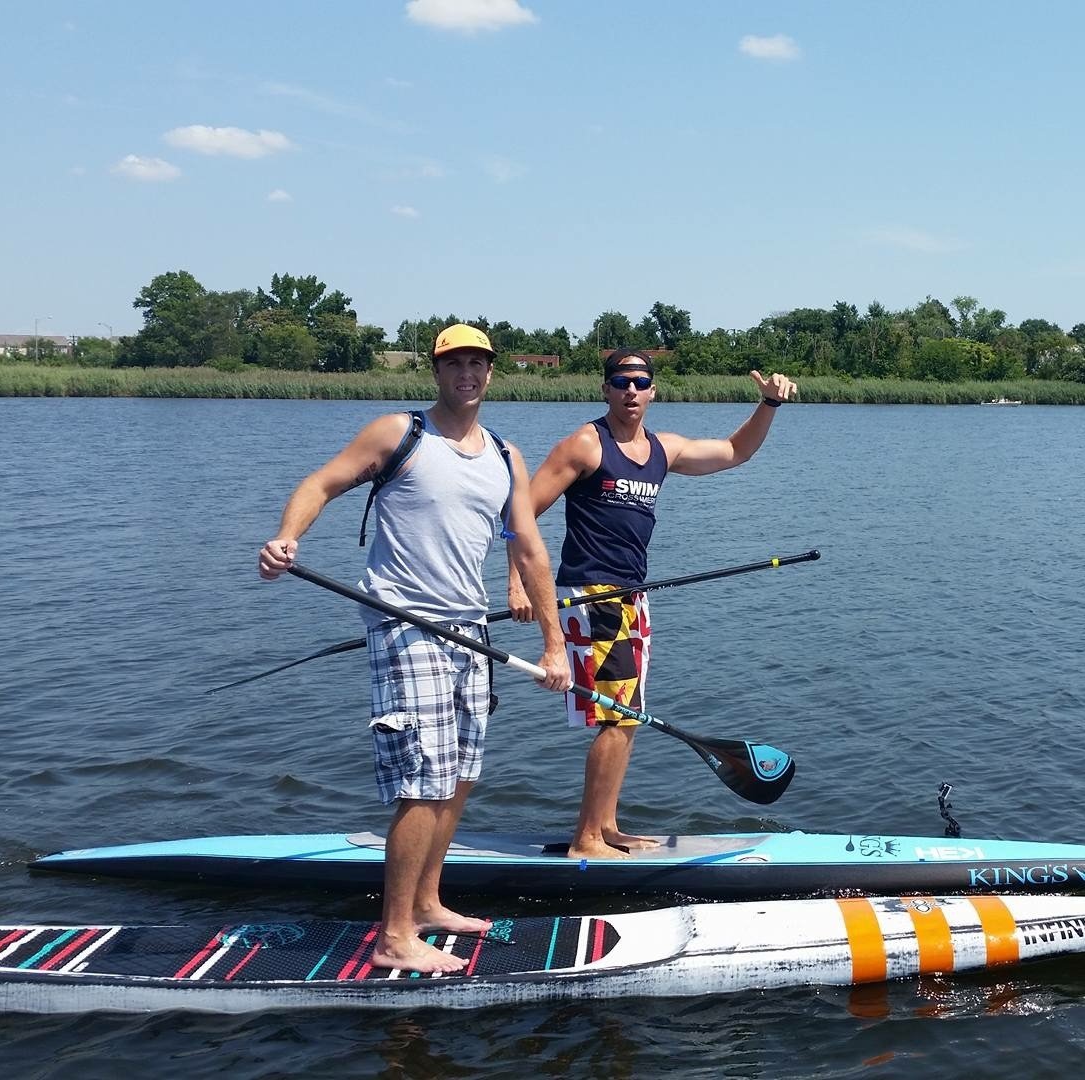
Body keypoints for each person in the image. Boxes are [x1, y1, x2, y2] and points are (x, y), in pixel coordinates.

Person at [256, 323, 571, 974]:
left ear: (491, 372)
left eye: (477, 364)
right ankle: (394, 934)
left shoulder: (506, 455)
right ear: (435, 371)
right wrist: (287, 538)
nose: (467, 375)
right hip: (404, 622)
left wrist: (553, 643)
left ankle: (427, 903)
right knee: (422, 779)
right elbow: (320, 484)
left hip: (469, 630)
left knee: (459, 774)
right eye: (454, 364)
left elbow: (530, 549)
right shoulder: (399, 433)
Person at [509, 348, 797, 860]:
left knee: (629, 713)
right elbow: (521, 514)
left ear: (653, 391)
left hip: (632, 596)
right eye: (621, 382)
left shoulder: (664, 449)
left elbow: (735, 452)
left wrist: (769, 406)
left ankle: (606, 825)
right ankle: (586, 839)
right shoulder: (584, 444)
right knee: (619, 716)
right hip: (593, 595)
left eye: (640, 382)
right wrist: (517, 584)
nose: (631, 391)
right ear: (606, 389)